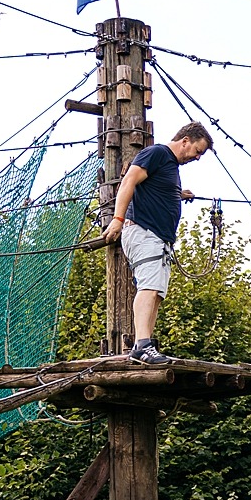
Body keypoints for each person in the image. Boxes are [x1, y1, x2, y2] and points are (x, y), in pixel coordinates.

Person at [100, 122, 212, 364]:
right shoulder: (157, 153)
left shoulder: (168, 166)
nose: (197, 157)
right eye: (197, 151)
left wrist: (178, 194)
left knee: (157, 292)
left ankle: (145, 344)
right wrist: (118, 219)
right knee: (149, 287)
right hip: (144, 232)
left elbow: (153, 187)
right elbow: (129, 181)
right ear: (185, 141)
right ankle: (142, 345)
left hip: (159, 238)